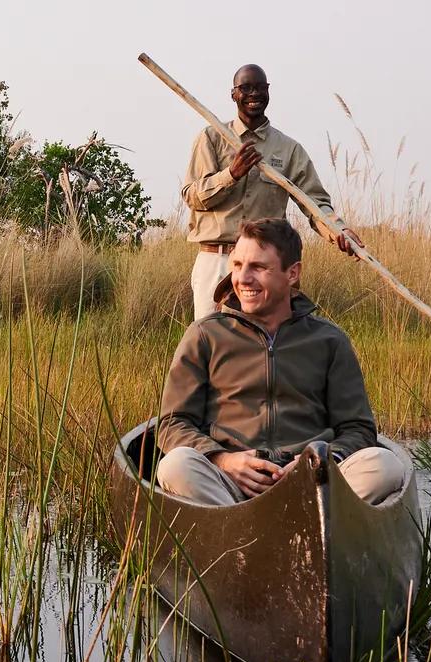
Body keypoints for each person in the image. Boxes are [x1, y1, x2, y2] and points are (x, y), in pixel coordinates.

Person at [152, 217, 411, 509]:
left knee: (385, 466)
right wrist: (223, 459)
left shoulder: (329, 340)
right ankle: (241, 526)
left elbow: (358, 429)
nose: (243, 279)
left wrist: (317, 461)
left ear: (292, 273)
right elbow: (173, 424)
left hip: (313, 485)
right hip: (230, 485)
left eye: (258, 267)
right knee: (175, 466)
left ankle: (309, 518)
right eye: (237, 265)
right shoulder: (205, 335)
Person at [180, 64, 353, 319]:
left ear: (268, 91)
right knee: (212, 341)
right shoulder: (211, 139)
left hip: (266, 263)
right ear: (233, 94)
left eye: (260, 88)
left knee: (266, 340)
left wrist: (338, 231)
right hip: (217, 260)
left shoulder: (288, 149)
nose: (254, 94)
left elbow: (314, 202)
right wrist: (232, 174)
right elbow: (192, 197)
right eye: (246, 88)